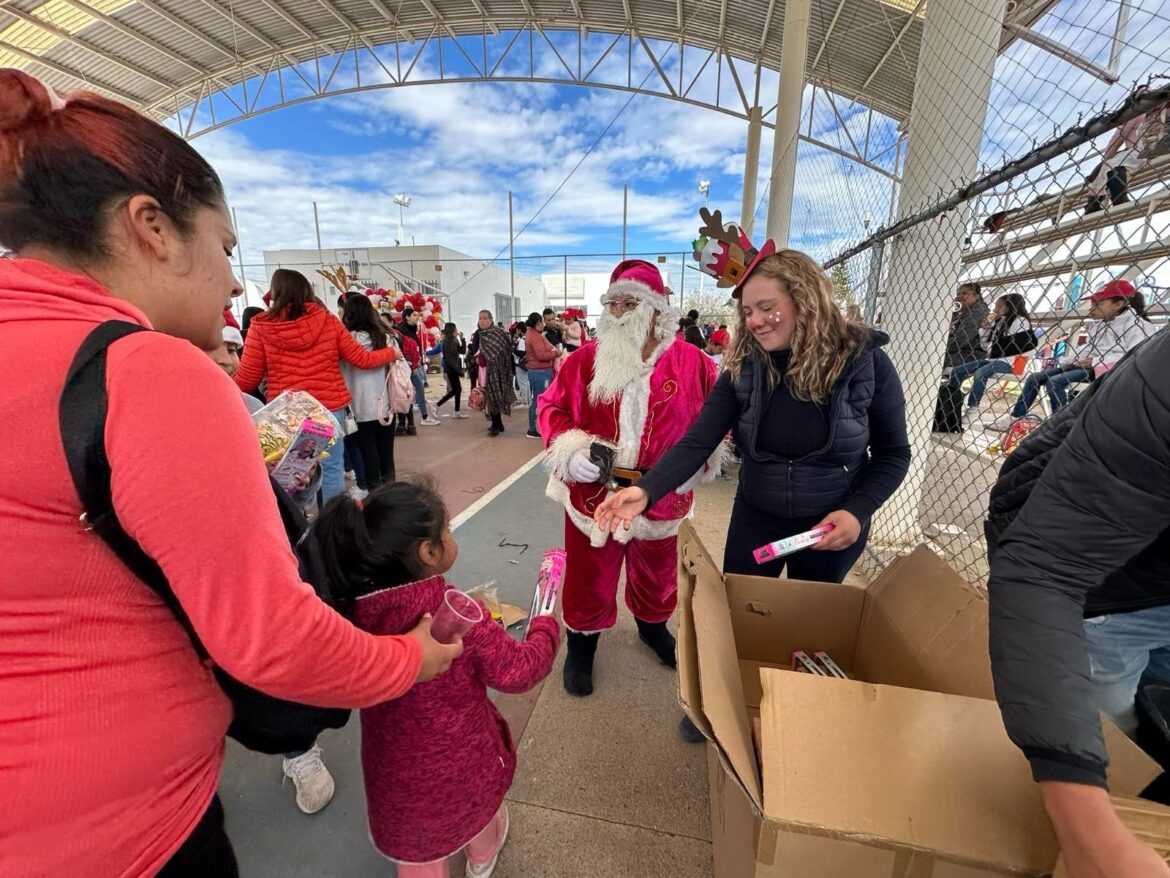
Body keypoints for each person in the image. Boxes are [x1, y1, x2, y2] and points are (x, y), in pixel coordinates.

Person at [0, 69, 463, 877]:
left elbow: (245, 373)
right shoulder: (141, 371)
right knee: (305, 553)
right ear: (152, 227)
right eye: (222, 245)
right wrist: (408, 662)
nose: (232, 283)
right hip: (120, 833)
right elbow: (271, 638)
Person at [595, 246, 910, 736]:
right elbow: (699, 438)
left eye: (768, 307)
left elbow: (893, 454)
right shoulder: (744, 365)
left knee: (813, 623)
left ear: (806, 299)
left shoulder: (865, 364)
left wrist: (858, 511)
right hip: (757, 514)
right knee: (741, 615)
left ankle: (796, 715)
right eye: (747, 311)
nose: (757, 321)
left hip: (829, 525)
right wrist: (648, 491)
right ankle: (724, 706)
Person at [987, 330, 1170, 878]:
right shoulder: (1160, 387)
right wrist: (1089, 829)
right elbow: (1045, 567)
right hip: (1107, 579)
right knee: (1106, 745)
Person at [312, 479, 560, 877]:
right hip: (463, 758)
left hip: (394, 766)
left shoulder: (348, 615)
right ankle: (482, 858)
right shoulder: (455, 616)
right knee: (477, 812)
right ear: (428, 552)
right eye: (446, 531)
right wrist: (544, 624)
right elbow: (520, 670)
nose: (449, 536)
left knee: (417, 848)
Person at [537, 259, 721, 698]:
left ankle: (651, 627)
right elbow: (551, 408)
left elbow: (719, 420)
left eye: (630, 303)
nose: (618, 311)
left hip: (662, 495)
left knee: (656, 574)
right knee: (589, 575)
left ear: (658, 310)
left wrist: (703, 459)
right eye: (612, 303)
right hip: (594, 496)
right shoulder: (583, 361)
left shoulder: (694, 363)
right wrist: (571, 449)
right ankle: (582, 643)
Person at [234, 269, 399, 503]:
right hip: (329, 409)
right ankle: (331, 528)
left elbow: (247, 380)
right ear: (307, 291)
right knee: (332, 470)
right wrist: (391, 352)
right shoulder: (328, 320)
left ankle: (297, 526)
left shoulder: (260, 327)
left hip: (287, 415)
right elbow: (362, 359)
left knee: (289, 474)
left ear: (276, 293)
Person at [989, 279, 1157, 428]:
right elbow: (1088, 348)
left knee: (1055, 382)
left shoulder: (1137, 326)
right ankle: (1015, 417)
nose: (1092, 308)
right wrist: (1068, 360)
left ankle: (1060, 425)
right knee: (1035, 377)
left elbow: (1135, 354)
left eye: (1098, 303)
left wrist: (1096, 361)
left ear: (1118, 304)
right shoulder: (1101, 324)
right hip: (1085, 364)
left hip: (1106, 369)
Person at [945, 292, 1035, 427]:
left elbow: (1018, 346)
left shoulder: (1021, 321)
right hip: (993, 360)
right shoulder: (1001, 321)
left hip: (1010, 361)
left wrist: (995, 350)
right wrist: (985, 328)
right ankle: (949, 403)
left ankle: (973, 407)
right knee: (958, 370)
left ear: (1010, 306)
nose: (995, 309)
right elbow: (985, 345)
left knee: (980, 373)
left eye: (999, 306)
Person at [341, 295, 398, 488]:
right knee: (387, 456)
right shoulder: (386, 338)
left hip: (357, 406)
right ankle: (391, 494)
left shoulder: (345, 340)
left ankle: (374, 496)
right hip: (386, 403)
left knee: (368, 455)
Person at [1084, 85, 1170, 214]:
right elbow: (1119, 137)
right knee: (1116, 165)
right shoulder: (1135, 114)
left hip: (1151, 149)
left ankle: (1097, 201)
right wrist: (1107, 158)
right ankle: (1110, 199)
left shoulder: (1157, 113)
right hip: (1138, 151)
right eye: (1142, 95)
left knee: (1113, 166)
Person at [398, 307, 440, 431]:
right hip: (408, 367)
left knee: (415, 390)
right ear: (407, 317)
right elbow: (404, 351)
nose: (417, 317)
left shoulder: (412, 330)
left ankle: (419, 418)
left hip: (414, 366)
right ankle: (422, 418)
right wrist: (411, 365)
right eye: (414, 315)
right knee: (414, 390)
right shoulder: (402, 332)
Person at [475, 310, 516, 436]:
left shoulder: (498, 332)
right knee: (489, 397)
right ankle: (497, 423)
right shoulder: (480, 334)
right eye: (480, 318)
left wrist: (486, 358)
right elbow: (476, 350)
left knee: (495, 396)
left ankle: (496, 425)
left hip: (499, 369)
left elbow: (505, 350)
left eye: (485, 318)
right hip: (485, 371)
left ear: (491, 319)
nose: (482, 321)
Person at [524, 312, 561, 439]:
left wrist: (552, 351)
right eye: (544, 321)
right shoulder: (535, 336)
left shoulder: (535, 335)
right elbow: (541, 355)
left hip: (541, 372)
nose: (545, 323)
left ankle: (536, 427)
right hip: (540, 372)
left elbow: (547, 349)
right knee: (539, 400)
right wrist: (555, 354)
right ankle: (532, 429)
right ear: (539, 322)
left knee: (540, 400)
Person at [944, 282, 989, 369]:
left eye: (965, 293)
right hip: (960, 352)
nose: (959, 296)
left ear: (977, 296)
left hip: (971, 354)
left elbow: (961, 339)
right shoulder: (963, 312)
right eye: (958, 294)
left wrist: (940, 348)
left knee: (935, 358)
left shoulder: (978, 311)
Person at [434, 321, 469, 419]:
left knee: (457, 390)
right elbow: (449, 359)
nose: (457, 331)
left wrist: (462, 339)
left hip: (454, 368)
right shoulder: (445, 343)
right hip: (450, 369)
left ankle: (456, 412)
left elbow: (462, 351)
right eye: (455, 329)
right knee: (456, 390)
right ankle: (437, 405)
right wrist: (459, 370)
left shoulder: (454, 340)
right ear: (452, 330)